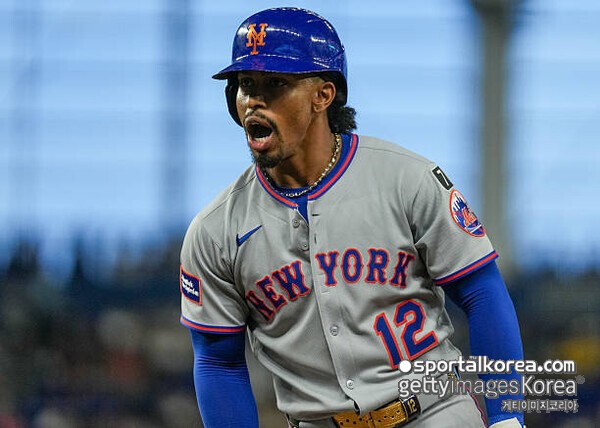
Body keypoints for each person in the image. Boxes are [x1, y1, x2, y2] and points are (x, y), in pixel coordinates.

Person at [179, 7, 525, 428]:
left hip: (433, 411)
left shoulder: (406, 180)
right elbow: (218, 362)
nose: (253, 100)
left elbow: (482, 293)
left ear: (323, 95)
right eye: (245, 85)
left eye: (275, 84)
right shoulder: (215, 230)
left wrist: (507, 415)